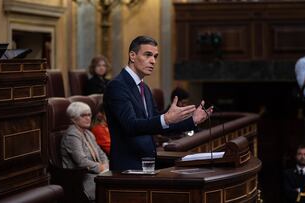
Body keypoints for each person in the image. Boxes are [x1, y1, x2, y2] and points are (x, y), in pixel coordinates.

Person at [104, 35, 213, 170]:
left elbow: (157, 123)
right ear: (132, 56)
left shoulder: (144, 87)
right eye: (148, 55)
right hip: (127, 167)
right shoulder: (118, 85)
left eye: (155, 56)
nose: (153, 61)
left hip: (147, 163)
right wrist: (165, 119)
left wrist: (192, 121)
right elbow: (130, 125)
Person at [60, 102, 109, 201]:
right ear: (73, 118)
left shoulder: (88, 133)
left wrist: (106, 165)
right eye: (83, 115)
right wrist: (100, 168)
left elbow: (101, 153)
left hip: (98, 174)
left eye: (89, 115)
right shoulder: (72, 135)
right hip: (81, 178)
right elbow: (81, 161)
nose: (88, 118)